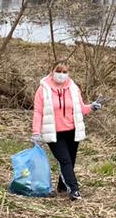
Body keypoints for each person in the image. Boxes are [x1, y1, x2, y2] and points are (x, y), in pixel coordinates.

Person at [31, 60, 103, 201]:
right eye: (58, 71)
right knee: (65, 161)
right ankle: (74, 190)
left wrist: (92, 107)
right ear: (52, 71)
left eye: (65, 72)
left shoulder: (73, 88)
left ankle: (62, 187)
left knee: (70, 160)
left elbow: (80, 109)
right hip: (54, 132)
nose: (61, 75)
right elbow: (38, 112)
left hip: (72, 131)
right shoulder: (43, 89)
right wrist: (35, 133)